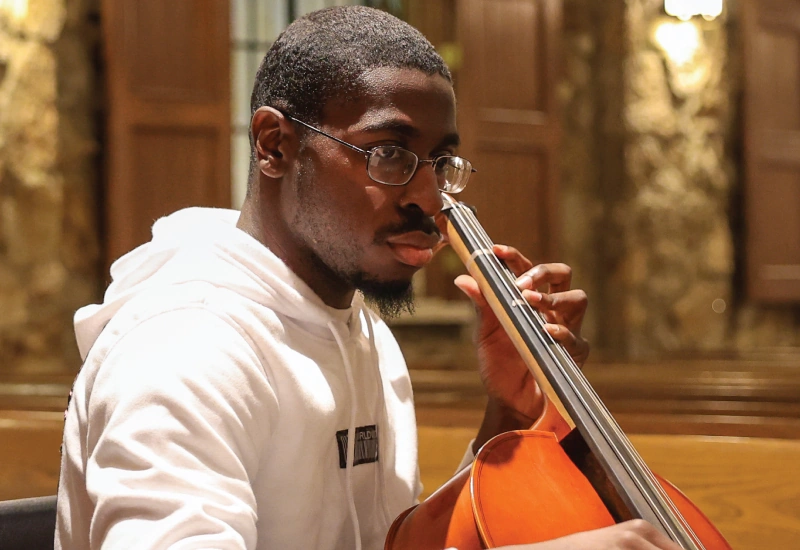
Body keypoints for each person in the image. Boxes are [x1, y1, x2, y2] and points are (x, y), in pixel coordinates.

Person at [55, 6, 681, 550]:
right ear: (275, 145)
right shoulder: (182, 350)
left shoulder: (363, 333)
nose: (430, 196)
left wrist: (510, 412)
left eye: (440, 162)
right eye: (389, 153)